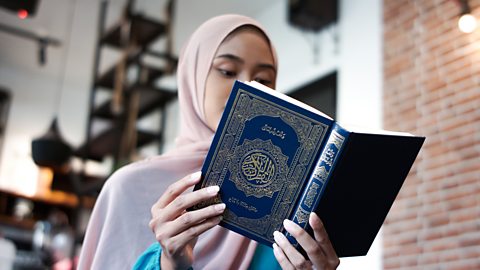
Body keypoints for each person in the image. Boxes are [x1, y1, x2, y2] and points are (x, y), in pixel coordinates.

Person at [78, 14, 340, 270]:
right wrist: (170, 263)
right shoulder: (127, 188)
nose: (248, 87)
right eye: (227, 71)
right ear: (193, 77)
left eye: (263, 80)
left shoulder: (291, 200)